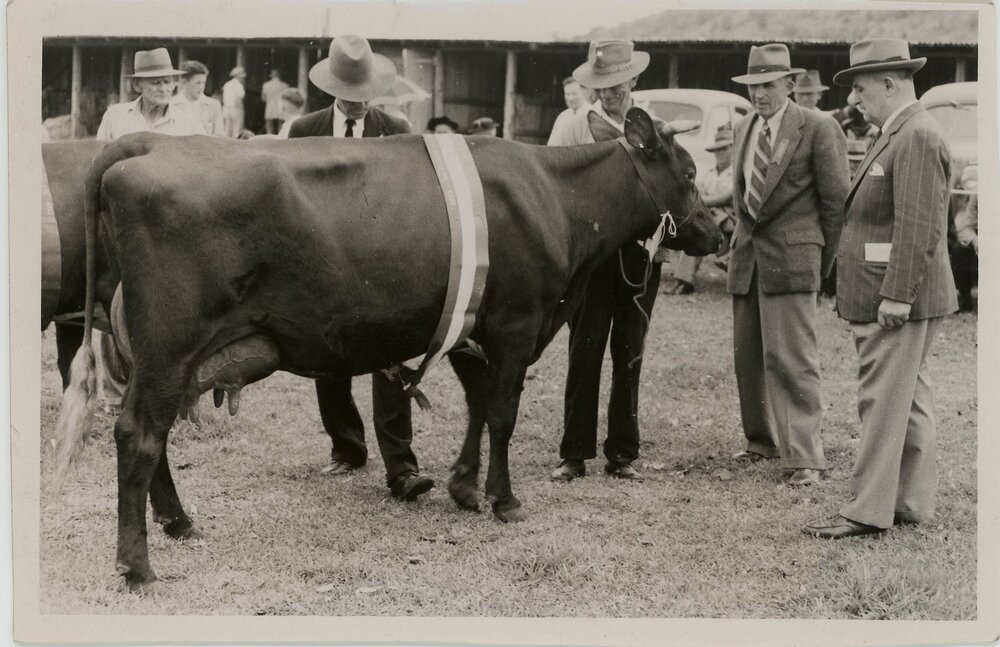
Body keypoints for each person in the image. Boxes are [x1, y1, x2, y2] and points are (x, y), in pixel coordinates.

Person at [804, 39, 958, 539]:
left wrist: (897, 295)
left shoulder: (914, 135)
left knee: (882, 400)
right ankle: (910, 502)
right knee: (908, 398)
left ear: (890, 83)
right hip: (898, 292)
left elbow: (918, 226)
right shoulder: (900, 131)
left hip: (895, 296)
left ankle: (866, 511)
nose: (855, 100)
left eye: (861, 88)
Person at [288, 34, 434, 501]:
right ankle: (346, 448)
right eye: (349, 97)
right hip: (324, 261)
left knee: (392, 358)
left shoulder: (396, 128)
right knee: (329, 358)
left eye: (364, 96)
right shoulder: (303, 130)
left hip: (383, 265)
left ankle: (402, 468)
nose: (356, 105)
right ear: (333, 89)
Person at [726, 43, 848, 486]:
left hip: (794, 260)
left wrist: (821, 263)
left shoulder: (818, 127)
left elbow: (836, 204)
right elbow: (742, 194)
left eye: (768, 85)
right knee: (749, 357)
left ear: (790, 84)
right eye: (753, 86)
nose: (759, 94)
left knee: (793, 359)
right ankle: (761, 441)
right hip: (748, 259)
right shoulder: (743, 127)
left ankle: (805, 458)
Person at [549, 40, 659, 483]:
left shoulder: (653, 123)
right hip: (592, 258)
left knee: (630, 352)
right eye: (600, 86)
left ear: (633, 79)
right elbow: (553, 181)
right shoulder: (573, 123)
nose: (608, 94)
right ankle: (574, 453)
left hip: (638, 257)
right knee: (584, 350)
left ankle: (623, 453)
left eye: (616, 85)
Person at [95, 48, 205, 413]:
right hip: (123, 222)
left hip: (174, 223)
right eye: (155, 80)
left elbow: (206, 170)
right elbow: (97, 164)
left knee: (176, 308)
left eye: (169, 79)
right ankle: (113, 394)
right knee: (114, 302)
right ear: (139, 84)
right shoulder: (116, 117)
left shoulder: (190, 119)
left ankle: (181, 394)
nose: (165, 85)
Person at [669, 125, 736, 294]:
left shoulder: (737, 173)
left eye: (724, 148)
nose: (719, 153)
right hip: (710, 219)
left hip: (730, 223)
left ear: (733, 149)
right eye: (717, 149)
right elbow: (696, 192)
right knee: (697, 228)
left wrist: (703, 201)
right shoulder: (709, 173)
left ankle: (685, 280)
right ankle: (684, 280)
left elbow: (726, 197)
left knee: (701, 220)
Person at [950, 167, 978, 311]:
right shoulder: (977, 194)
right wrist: (975, 240)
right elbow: (966, 226)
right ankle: (965, 297)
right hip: (980, 239)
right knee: (959, 249)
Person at [172, 60, 224, 136]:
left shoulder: (214, 105)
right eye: (198, 83)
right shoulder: (171, 104)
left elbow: (219, 136)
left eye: (204, 82)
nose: (202, 87)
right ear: (184, 82)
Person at [547, 76, 591, 145]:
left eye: (574, 94)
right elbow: (552, 143)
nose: (570, 98)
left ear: (584, 93)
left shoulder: (590, 114)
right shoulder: (563, 116)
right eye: (567, 94)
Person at [262, 69, 290, 135]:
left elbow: (263, 98)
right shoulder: (285, 86)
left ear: (271, 76)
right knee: (281, 127)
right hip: (280, 108)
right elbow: (287, 99)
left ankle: (269, 140)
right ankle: (280, 140)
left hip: (270, 108)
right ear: (280, 76)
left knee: (269, 126)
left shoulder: (266, 85)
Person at [222, 66, 247, 138]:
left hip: (226, 108)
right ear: (239, 76)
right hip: (236, 108)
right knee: (237, 130)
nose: (243, 78)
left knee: (227, 130)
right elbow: (241, 96)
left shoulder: (227, 84)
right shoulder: (238, 85)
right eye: (242, 77)